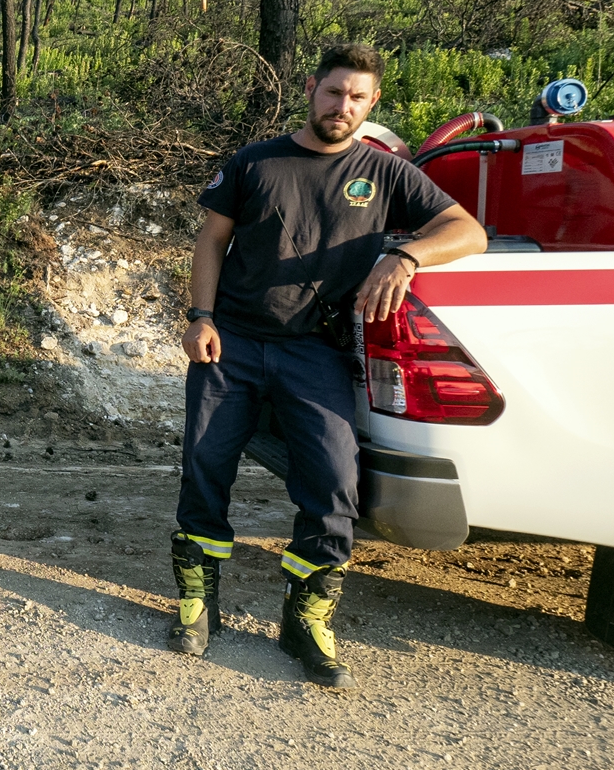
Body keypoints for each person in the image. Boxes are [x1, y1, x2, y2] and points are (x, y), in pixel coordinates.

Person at [174, 43, 487, 688]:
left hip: (316, 350)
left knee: (333, 480)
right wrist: (199, 317)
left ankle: (306, 616)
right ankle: (197, 600)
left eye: (356, 98)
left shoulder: (385, 172)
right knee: (206, 466)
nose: (341, 106)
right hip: (230, 342)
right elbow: (210, 240)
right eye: (332, 92)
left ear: (371, 105)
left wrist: (406, 258)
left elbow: (468, 230)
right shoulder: (257, 161)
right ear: (312, 88)